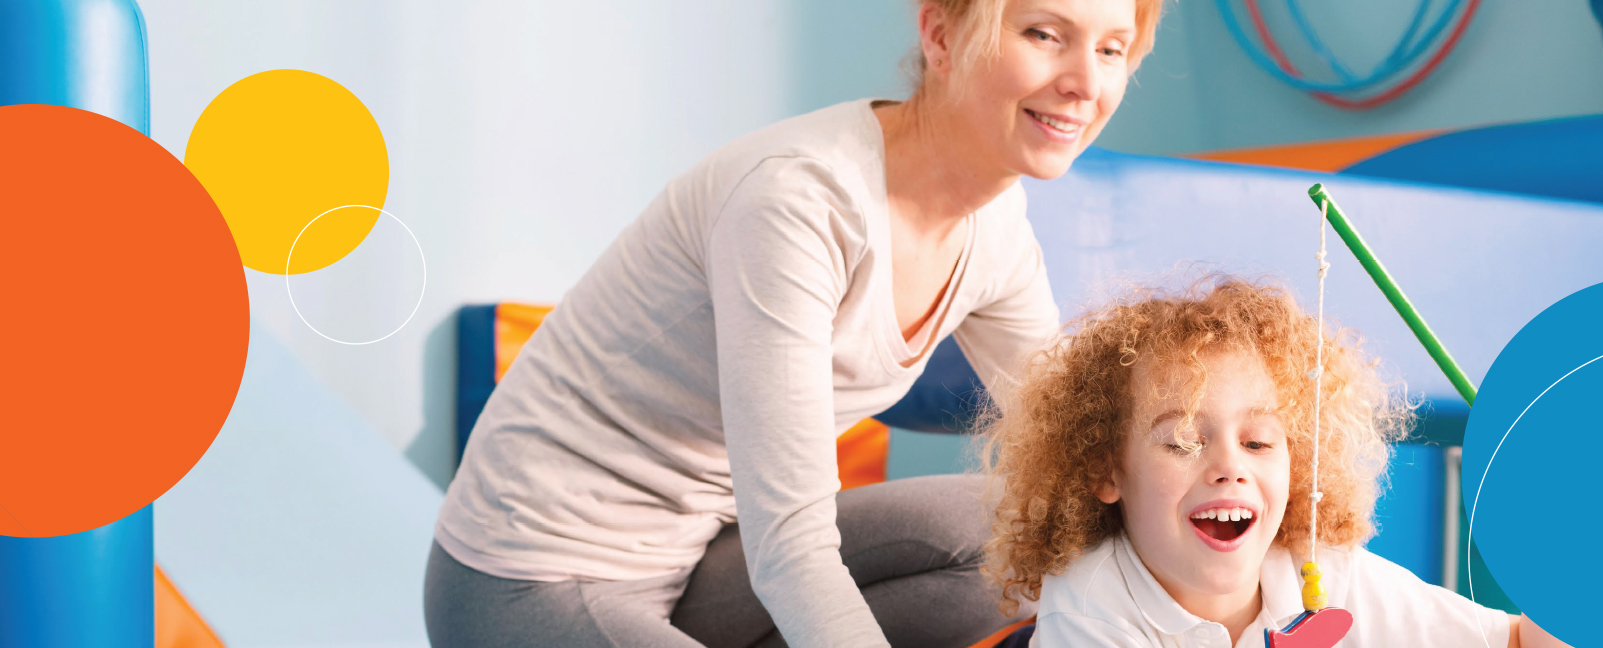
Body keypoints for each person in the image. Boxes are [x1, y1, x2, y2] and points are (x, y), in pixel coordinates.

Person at [423, 1, 1167, 646]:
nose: (1085, 82)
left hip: (700, 557)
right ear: (940, 37)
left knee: (1021, 536)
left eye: (1110, 49)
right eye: (1045, 34)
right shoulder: (798, 202)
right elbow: (792, 547)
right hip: (533, 574)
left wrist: (1251, 535)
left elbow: (1083, 442)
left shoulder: (995, 223)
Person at [980, 276, 1572, 647]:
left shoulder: (1321, 575)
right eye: (1185, 441)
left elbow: (1515, 640)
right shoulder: (1092, 606)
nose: (1228, 466)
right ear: (1107, 471)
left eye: (1259, 442)